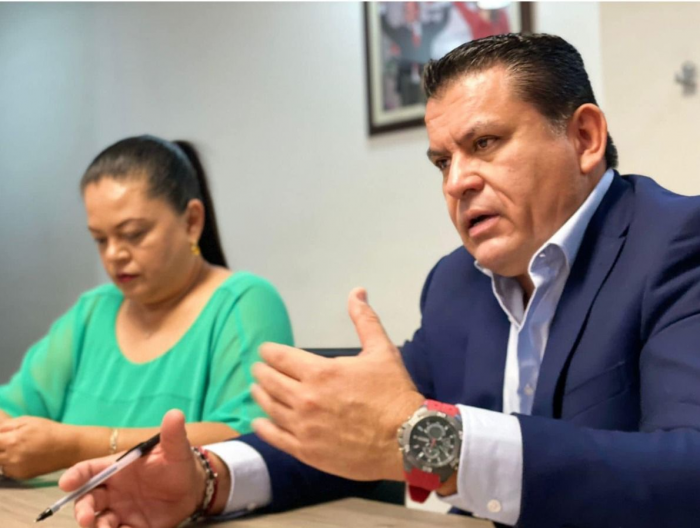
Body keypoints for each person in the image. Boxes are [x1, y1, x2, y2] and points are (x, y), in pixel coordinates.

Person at [61, 34, 700, 528]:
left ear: (584, 137)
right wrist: (205, 480)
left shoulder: (677, 243)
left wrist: (430, 442)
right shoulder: (456, 284)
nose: (457, 182)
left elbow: (687, 474)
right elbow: (357, 437)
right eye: (442, 161)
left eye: (485, 143)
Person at [0, 135, 294, 480]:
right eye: (100, 239)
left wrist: (76, 446)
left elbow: (249, 440)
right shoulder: (92, 312)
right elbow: (11, 408)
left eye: (134, 234)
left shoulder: (243, 303)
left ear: (191, 222)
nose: (114, 254)